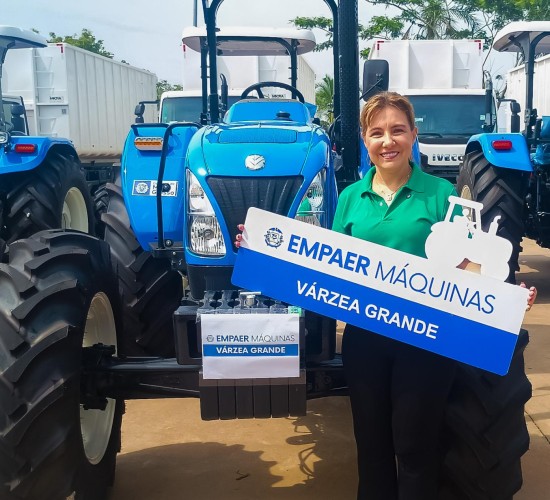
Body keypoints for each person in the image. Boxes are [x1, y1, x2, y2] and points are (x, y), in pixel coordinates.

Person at [235, 91, 537, 499]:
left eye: (397, 130)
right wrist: (259, 248)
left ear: (413, 135)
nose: (387, 141)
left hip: (425, 342)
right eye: (376, 132)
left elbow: (469, 267)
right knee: (372, 448)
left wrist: (504, 297)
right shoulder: (349, 198)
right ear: (365, 140)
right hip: (366, 342)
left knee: (415, 449)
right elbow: (325, 265)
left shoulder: (442, 196)